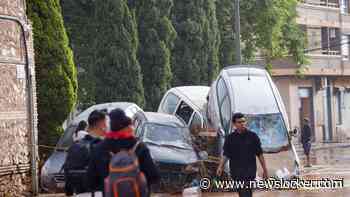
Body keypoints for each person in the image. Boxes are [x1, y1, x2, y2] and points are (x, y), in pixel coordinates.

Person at [86, 108, 160, 195]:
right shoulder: (140, 147)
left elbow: (90, 183)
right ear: (127, 126)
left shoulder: (99, 149)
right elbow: (154, 176)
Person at [216, 113, 268, 197]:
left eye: (243, 121)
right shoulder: (230, 138)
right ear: (234, 124)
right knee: (243, 192)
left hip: (249, 171)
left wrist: (265, 169)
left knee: (245, 192)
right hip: (236, 171)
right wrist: (220, 166)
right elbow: (226, 154)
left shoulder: (252, 136)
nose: (242, 124)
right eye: (239, 122)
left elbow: (260, 154)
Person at [64, 110, 107, 196]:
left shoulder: (74, 147)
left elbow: (67, 172)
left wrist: (69, 192)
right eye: (105, 123)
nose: (107, 126)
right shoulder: (103, 147)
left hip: (79, 194)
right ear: (101, 124)